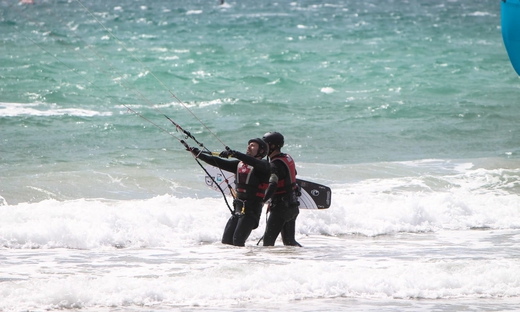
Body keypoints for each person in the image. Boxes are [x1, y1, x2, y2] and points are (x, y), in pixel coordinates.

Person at [189, 138, 270, 246]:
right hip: (238, 209)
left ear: (261, 151)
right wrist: (198, 154)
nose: (248, 147)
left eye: (252, 145)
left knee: (238, 241)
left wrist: (234, 153)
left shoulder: (264, 166)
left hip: (252, 211)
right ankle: (233, 262)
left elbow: (255, 163)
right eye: (248, 145)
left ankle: (246, 262)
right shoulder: (239, 165)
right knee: (226, 242)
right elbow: (217, 162)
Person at [261, 132, 301, 247]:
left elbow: (273, 184)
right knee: (289, 242)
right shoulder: (287, 157)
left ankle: (268, 265)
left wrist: (263, 200)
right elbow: (294, 173)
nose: (263, 148)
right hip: (292, 205)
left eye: (266, 145)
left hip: (281, 208)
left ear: (273, 146)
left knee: (268, 243)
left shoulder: (274, 165)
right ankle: (304, 259)